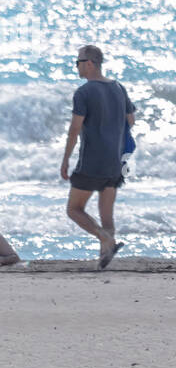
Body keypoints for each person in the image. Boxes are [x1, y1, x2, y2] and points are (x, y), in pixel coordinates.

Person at [61, 44, 135, 269]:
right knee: (107, 215)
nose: (76, 66)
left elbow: (75, 129)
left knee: (74, 209)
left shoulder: (83, 92)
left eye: (78, 62)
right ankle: (105, 257)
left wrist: (65, 160)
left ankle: (104, 239)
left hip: (92, 161)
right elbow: (130, 120)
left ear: (90, 63)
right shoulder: (118, 87)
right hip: (115, 161)